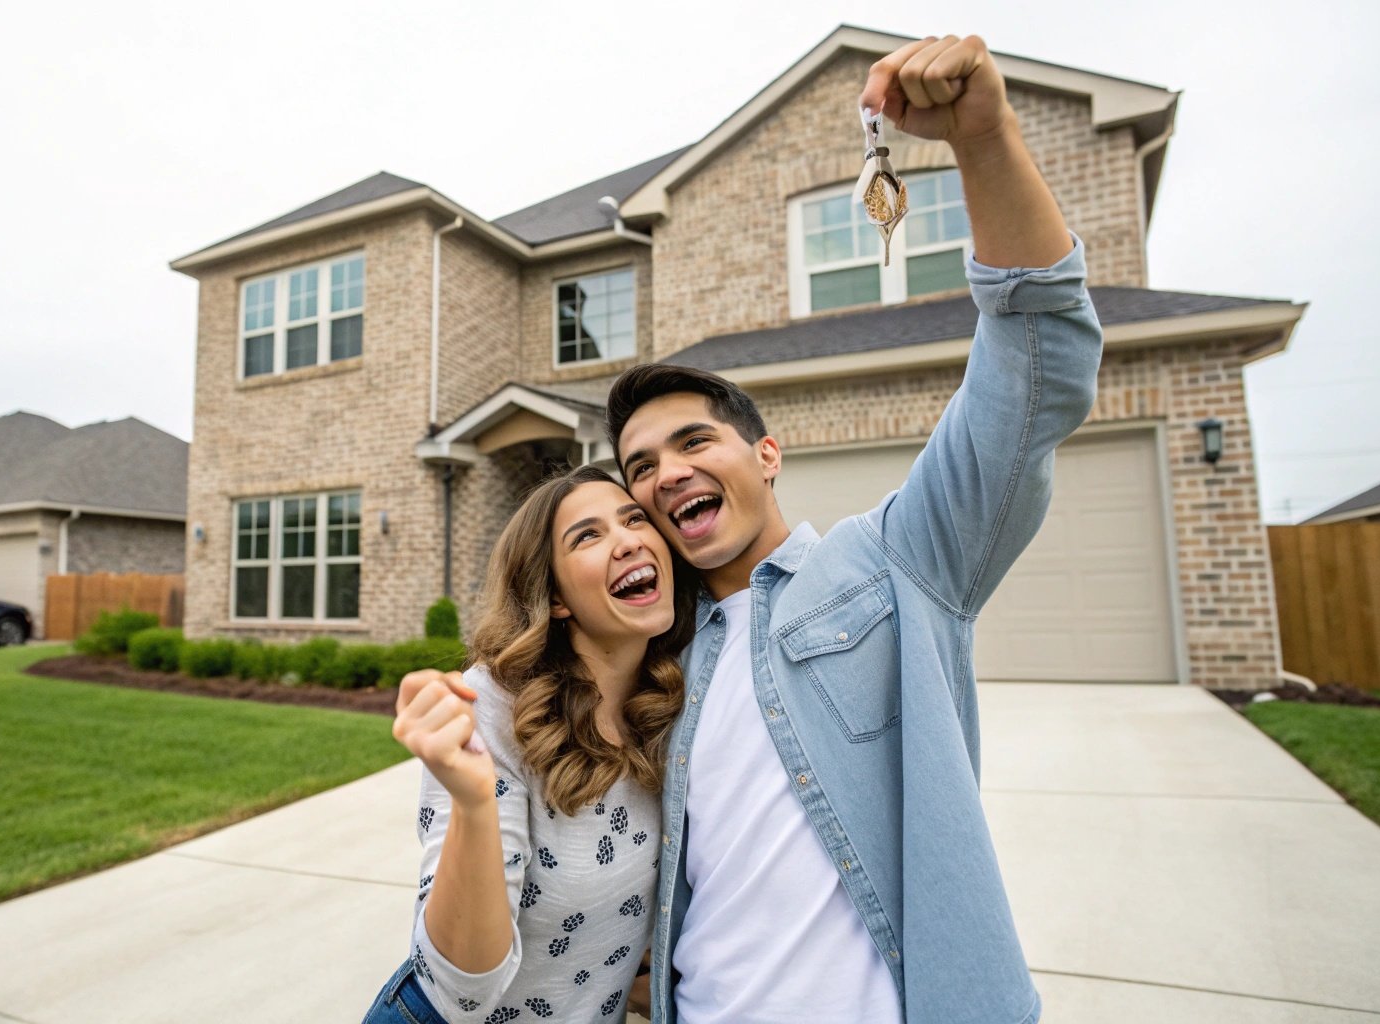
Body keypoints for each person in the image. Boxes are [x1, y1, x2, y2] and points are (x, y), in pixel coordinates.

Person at [605, 35, 1103, 1024]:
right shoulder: (657, 662)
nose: (666, 474)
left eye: (692, 441)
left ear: (766, 455)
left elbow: (1036, 362)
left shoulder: (897, 564)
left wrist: (982, 139)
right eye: (639, 467)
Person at [362, 465, 695, 1024]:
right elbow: (461, 992)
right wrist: (474, 803)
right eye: (588, 535)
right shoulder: (492, 706)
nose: (628, 540)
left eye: (634, 518)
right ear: (556, 597)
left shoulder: (675, 698)